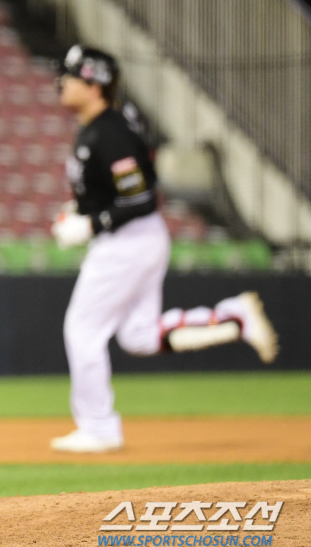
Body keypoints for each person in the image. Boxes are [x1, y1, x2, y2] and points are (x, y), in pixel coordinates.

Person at [50, 45, 278, 453]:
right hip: (135, 239)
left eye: (70, 76)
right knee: (138, 336)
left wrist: (92, 223)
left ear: (93, 82)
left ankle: (99, 426)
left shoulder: (110, 131)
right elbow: (117, 191)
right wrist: (79, 213)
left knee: (82, 329)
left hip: (129, 240)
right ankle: (234, 317)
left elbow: (139, 198)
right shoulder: (100, 126)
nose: (61, 82)